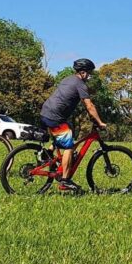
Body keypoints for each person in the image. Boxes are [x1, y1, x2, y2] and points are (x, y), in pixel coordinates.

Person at [40, 58, 110, 192]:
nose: (90, 76)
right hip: (55, 116)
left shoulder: (67, 79)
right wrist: (99, 122)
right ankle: (65, 181)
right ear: (83, 72)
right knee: (69, 146)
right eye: (89, 73)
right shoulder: (80, 84)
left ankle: (47, 153)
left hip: (46, 112)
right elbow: (89, 105)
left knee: (67, 132)